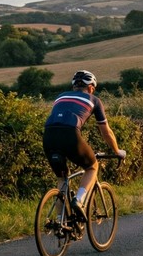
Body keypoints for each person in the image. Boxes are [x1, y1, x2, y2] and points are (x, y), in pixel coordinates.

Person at [43, 70, 125, 217]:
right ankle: (79, 200)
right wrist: (117, 150)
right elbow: (106, 132)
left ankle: (60, 221)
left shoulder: (61, 96)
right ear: (91, 88)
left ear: (74, 86)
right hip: (70, 134)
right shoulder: (94, 100)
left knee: (62, 178)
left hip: (48, 135)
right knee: (92, 166)